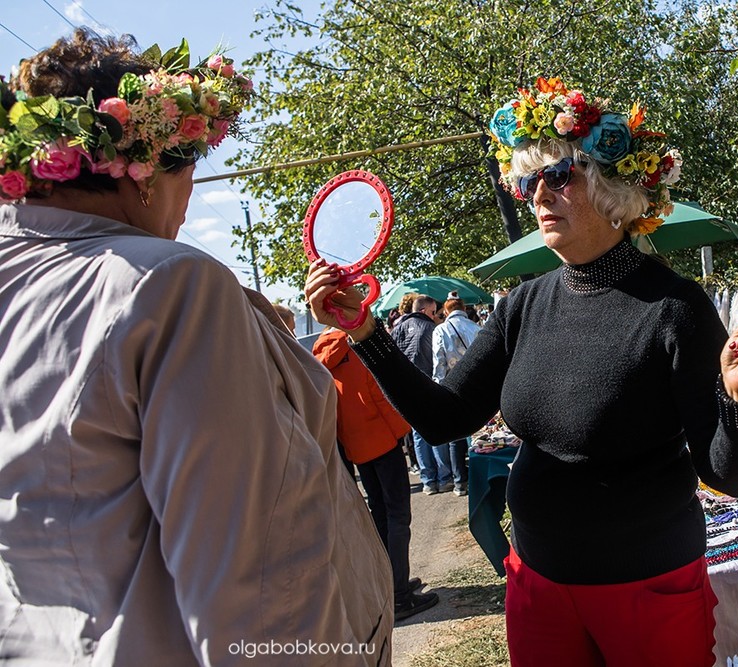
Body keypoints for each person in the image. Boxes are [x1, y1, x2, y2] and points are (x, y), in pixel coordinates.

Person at [306, 76, 738, 666]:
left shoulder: (675, 308)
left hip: (647, 588)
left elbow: (728, 476)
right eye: (528, 180)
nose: (537, 194)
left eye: (558, 177)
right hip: (537, 582)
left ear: (611, 188)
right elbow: (442, 418)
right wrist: (365, 334)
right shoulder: (522, 304)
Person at [0, 30, 392, 665]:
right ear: (150, 169)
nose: (188, 205)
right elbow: (265, 593)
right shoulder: (171, 286)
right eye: (192, 171)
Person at [313, 328, 440, 620]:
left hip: (356, 446)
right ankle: (399, 597)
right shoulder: (354, 348)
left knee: (381, 516)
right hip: (382, 440)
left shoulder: (320, 357)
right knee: (398, 517)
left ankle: (390, 584)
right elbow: (379, 393)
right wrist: (402, 431)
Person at [391, 294, 454, 494]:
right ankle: (444, 477)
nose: (436, 316)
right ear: (425, 311)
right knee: (436, 431)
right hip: (427, 384)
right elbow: (437, 361)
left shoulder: (397, 329)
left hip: (405, 388)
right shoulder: (430, 329)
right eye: (435, 312)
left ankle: (428, 480)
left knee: (418, 434)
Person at [431, 291, 483, 496]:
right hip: (478, 386)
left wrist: (439, 388)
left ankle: (461, 482)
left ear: (446, 310)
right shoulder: (476, 328)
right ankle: (479, 478)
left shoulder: (440, 331)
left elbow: (439, 362)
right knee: (479, 434)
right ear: (463, 309)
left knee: (456, 437)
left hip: (453, 386)